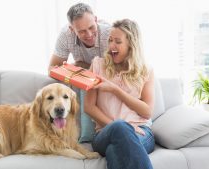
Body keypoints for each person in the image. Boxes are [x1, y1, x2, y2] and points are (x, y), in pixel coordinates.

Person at [84, 19, 155, 169]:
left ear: (131, 44)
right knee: (120, 128)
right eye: (110, 40)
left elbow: (147, 112)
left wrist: (115, 90)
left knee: (114, 151)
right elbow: (89, 107)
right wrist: (121, 127)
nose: (111, 46)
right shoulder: (97, 65)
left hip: (141, 132)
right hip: (104, 133)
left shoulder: (145, 70)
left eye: (117, 42)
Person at [48, 2, 111, 71]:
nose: (89, 34)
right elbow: (52, 69)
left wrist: (83, 65)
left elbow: (120, 72)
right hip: (85, 78)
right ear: (72, 29)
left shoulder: (110, 34)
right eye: (82, 31)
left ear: (95, 20)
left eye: (91, 27)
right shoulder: (66, 35)